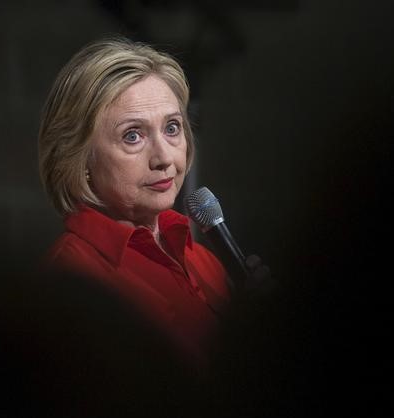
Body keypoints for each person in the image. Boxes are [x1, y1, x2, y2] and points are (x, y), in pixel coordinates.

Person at [38, 36, 272, 366]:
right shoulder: (71, 276)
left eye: (172, 128)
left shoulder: (203, 259)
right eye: (132, 135)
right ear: (80, 157)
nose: (163, 157)